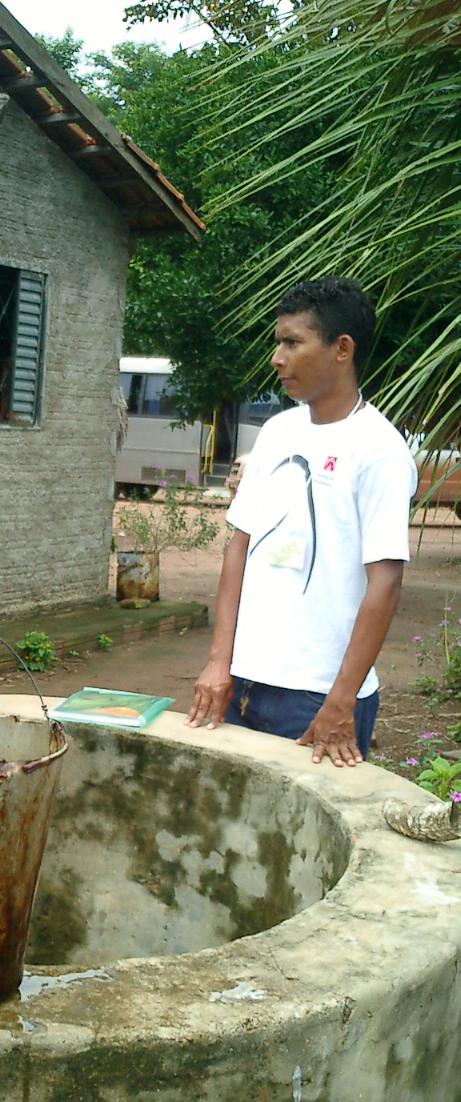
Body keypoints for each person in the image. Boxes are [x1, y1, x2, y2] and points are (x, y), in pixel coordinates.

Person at [186, 276, 417, 767]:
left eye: (292, 342)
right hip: (241, 682)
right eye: (278, 343)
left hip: (317, 698)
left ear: (342, 349)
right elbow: (238, 547)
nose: (277, 358)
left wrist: (341, 701)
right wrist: (218, 662)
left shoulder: (379, 451)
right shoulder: (276, 432)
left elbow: (386, 583)